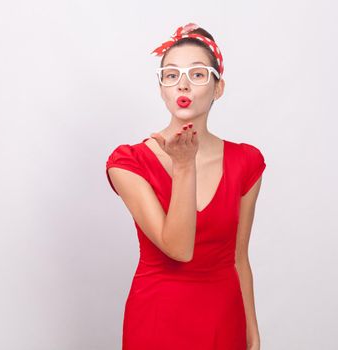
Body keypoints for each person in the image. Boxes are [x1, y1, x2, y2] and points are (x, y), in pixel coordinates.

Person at [105, 22, 266, 350]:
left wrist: (252, 333)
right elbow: (178, 248)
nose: (183, 85)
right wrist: (183, 165)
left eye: (197, 74)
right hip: (156, 319)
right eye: (171, 75)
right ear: (161, 88)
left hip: (223, 318)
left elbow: (239, 257)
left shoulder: (246, 162)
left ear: (218, 87)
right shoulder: (129, 162)